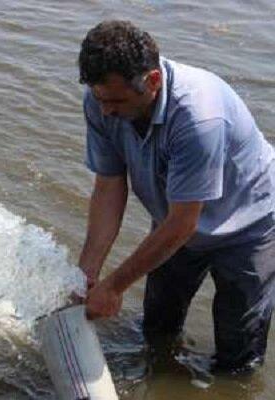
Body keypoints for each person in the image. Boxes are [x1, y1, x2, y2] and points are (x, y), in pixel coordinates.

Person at [76, 20, 275, 373]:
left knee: (237, 356)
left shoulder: (199, 118)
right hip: (175, 221)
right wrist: (88, 274)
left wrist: (115, 285)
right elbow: (109, 185)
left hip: (249, 224)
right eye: (99, 98)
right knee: (156, 328)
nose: (106, 110)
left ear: (152, 81)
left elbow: (183, 223)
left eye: (116, 101)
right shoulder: (101, 101)